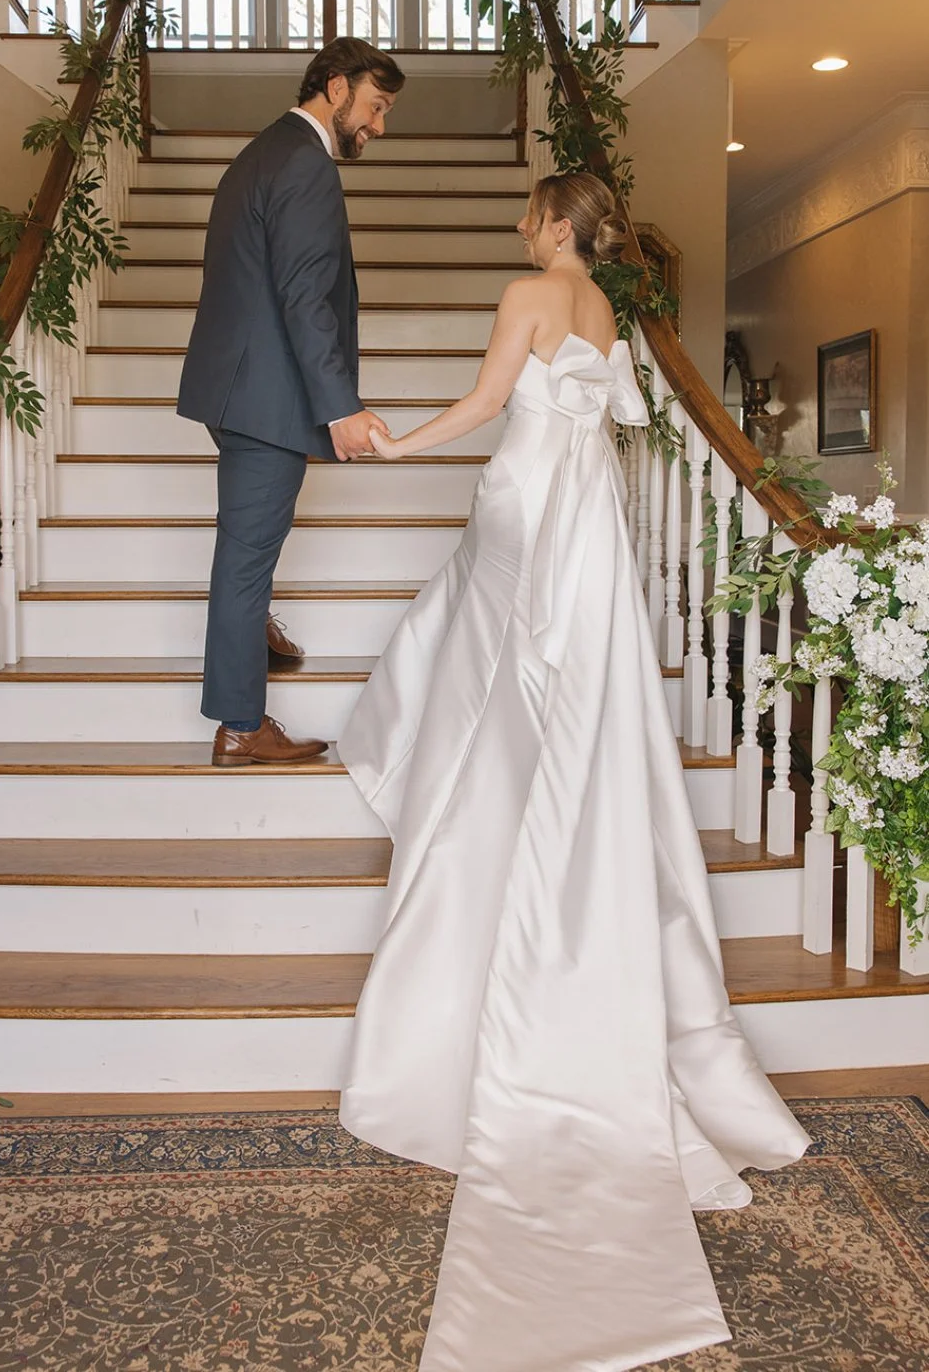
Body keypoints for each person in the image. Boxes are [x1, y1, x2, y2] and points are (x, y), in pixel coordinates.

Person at [337, 172, 810, 1372]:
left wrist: (394, 440)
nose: (519, 225)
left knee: (477, 643)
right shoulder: (605, 307)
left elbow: (490, 402)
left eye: (528, 211)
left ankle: (447, 796)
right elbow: (601, 420)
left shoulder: (526, 289)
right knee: (523, 679)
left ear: (552, 220)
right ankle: (494, 803)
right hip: (586, 520)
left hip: (526, 507)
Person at [177, 38, 405, 767]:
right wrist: (339, 405)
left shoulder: (259, 154)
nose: (378, 126)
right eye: (374, 107)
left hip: (237, 388)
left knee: (248, 554)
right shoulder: (306, 166)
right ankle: (242, 725)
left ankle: (255, 632)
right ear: (334, 88)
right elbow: (304, 297)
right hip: (266, 399)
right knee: (243, 562)